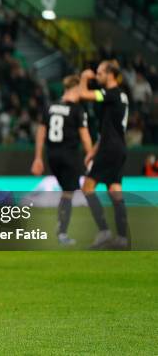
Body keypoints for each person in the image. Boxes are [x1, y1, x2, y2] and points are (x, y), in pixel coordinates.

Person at [31, 75, 93, 245]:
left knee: (67, 191)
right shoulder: (77, 110)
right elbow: (85, 137)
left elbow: (41, 132)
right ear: (75, 89)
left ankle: (61, 229)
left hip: (52, 156)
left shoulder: (50, 107)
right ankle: (62, 232)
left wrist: (38, 158)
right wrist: (90, 157)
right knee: (68, 193)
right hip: (69, 156)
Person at [78, 60, 129, 250]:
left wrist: (84, 78)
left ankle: (104, 232)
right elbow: (110, 128)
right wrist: (93, 151)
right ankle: (122, 238)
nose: (96, 76)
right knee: (115, 191)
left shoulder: (111, 94)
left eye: (100, 73)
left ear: (110, 74)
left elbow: (83, 94)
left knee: (87, 187)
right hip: (118, 147)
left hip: (110, 148)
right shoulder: (122, 96)